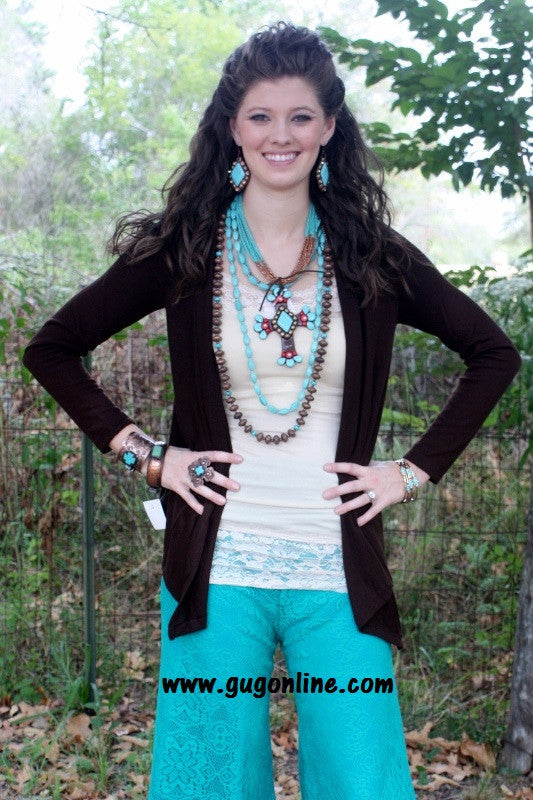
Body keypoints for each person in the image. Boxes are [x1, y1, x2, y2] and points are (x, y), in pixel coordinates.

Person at [22, 21, 521, 800]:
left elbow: (492, 354)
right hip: (216, 568)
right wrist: (150, 457)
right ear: (232, 127)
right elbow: (52, 348)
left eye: (298, 117)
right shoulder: (185, 250)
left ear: (328, 127)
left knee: (363, 783)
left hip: (337, 568)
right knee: (209, 784)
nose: (278, 136)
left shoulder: (371, 256)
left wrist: (408, 472)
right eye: (259, 116)